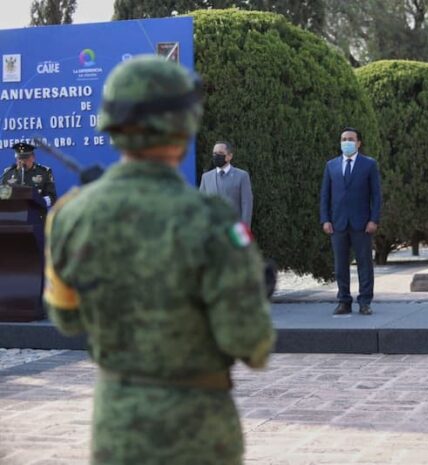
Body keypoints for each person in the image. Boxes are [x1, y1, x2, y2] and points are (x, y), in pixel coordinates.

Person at [43, 55, 275, 465]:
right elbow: (250, 342)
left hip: (118, 427)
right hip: (201, 429)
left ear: (110, 125)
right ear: (184, 125)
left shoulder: (69, 215)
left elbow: (66, 317)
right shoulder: (212, 221)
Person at [320, 127, 381, 316]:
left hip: (361, 223)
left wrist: (374, 219)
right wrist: (325, 219)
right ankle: (343, 301)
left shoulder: (369, 164)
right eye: (343, 139)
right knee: (340, 265)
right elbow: (325, 195)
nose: (346, 142)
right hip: (338, 223)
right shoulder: (331, 165)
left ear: (358, 143)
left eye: (350, 139)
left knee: (364, 263)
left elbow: (376, 195)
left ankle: (364, 301)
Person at [199, 140, 254, 226]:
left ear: (229, 156)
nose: (216, 156)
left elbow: (247, 204)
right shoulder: (206, 177)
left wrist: (245, 230)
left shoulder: (242, 176)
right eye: (214, 153)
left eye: (220, 153)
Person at [1, 142, 56, 207]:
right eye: (20, 158)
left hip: (37, 214)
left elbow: (52, 198)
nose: (22, 161)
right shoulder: (8, 172)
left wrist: (38, 200)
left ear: (33, 158)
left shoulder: (44, 172)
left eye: (25, 158)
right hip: (14, 214)